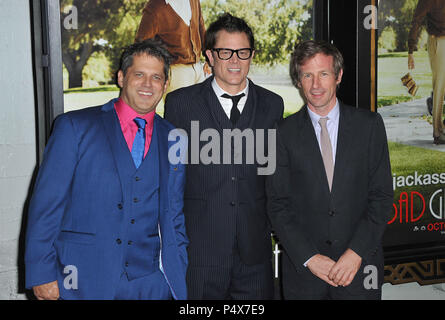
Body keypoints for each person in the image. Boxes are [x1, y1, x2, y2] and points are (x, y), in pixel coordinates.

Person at [24, 39, 188, 300]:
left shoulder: (175, 138)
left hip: (152, 284)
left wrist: (177, 269)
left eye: (156, 77)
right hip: (82, 281)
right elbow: (46, 206)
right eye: (139, 74)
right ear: (122, 77)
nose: (148, 84)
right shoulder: (74, 127)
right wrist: (41, 273)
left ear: (165, 85)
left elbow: (175, 214)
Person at [164, 13, 284, 299]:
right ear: (210, 55)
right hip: (200, 252)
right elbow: (171, 180)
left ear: (251, 55)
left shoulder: (272, 105)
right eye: (225, 52)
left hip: (254, 254)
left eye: (242, 52)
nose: (234, 60)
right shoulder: (180, 104)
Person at [266, 40, 393, 300]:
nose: (316, 85)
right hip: (304, 277)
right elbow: (277, 205)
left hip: (359, 270)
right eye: (307, 75)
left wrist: (355, 253)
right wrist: (311, 259)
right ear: (298, 80)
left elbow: (381, 198)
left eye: (323, 74)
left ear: (338, 76)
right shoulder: (280, 133)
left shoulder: (369, 126)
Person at [136, 0, 207, 96]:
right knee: (181, 110)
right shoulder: (155, 5)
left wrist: (209, 58)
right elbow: (141, 44)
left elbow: (201, 26)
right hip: (176, 72)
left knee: (203, 110)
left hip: (199, 68)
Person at [408, 0, 445, 144]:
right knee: (440, 85)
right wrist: (411, 50)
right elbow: (416, 20)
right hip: (439, 42)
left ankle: (441, 126)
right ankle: (437, 131)